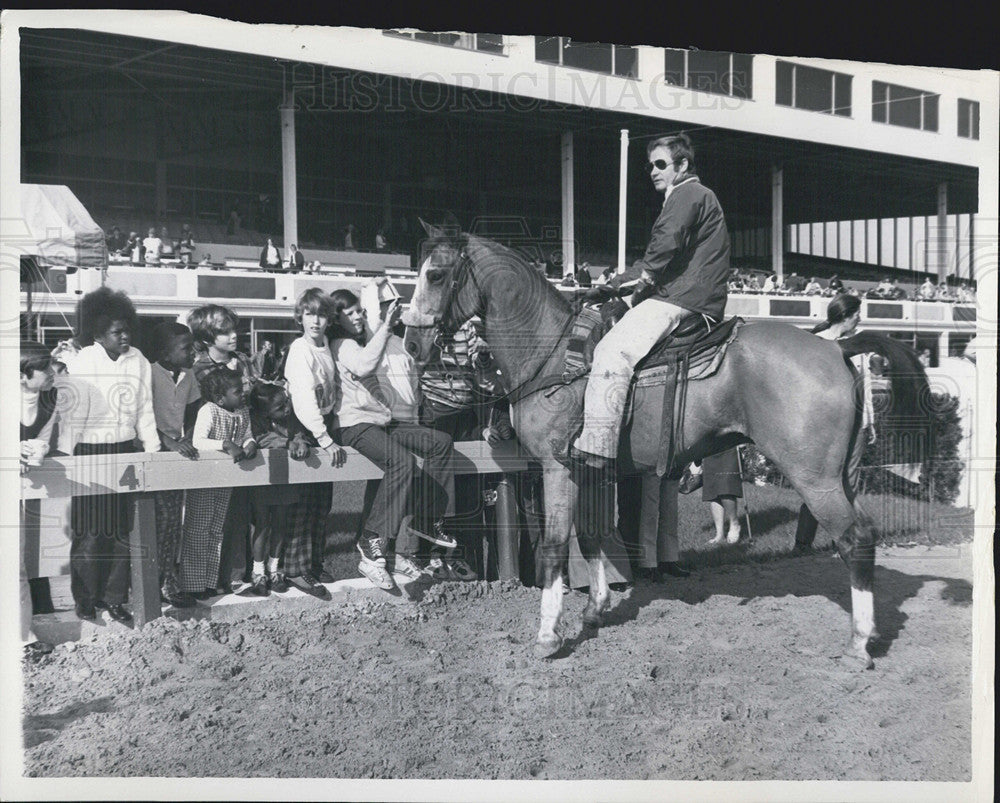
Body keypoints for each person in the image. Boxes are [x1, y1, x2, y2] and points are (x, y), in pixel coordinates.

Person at [573, 133, 731, 468]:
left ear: (682, 164)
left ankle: (596, 447)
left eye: (661, 164)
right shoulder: (697, 195)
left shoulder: (687, 193)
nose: (653, 172)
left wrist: (611, 285)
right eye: (651, 166)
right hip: (693, 295)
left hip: (684, 297)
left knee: (611, 350)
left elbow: (660, 252)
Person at [327, 288, 459, 591]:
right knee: (402, 462)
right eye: (349, 313)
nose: (358, 315)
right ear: (337, 319)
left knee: (440, 443)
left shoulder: (360, 342)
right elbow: (363, 366)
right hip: (353, 425)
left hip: (380, 422)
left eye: (359, 310)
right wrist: (386, 327)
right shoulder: (342, 343)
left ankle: (426, 519)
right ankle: (371, 539)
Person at [67, 288, 160, 625]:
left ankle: (115, 599)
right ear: (97, 334)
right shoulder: (83, 361)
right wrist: (68, 455)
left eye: (127, 330)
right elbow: (73, 414)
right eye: (116, 332)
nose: (125, 337)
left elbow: (145, 409)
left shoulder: (140, 361)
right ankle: (87, 601)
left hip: (125, 450)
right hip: (90, 452)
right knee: (92, 531)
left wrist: (152, 451)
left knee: (121, 529)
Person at [188, 304, 259, 591]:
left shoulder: (242, 361)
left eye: (234, 330)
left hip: (242, 441)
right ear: (207, 337)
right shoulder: (198, 367)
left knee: (238, 515)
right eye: (224, 332)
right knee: (205, 521)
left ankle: (235, 576)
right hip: (209, 446)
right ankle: (204, 579)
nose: (233, 336)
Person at [282, 288, 347, 598]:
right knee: (302, 504)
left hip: (324, 427)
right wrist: (324, 438)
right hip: (304, 430)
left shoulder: (325, 348)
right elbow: (305, 400)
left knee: (323, 503)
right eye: (309, 314)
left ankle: (314, 562)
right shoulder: (299, 350)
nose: (315, 321)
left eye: (321, 314)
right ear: (300, 317)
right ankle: (294, 570)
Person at [179, 367, 258, 599]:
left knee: (216, 531)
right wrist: (225, 444)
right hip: (203, 479)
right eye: (237, 391)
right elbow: (198, 441)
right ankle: (193, 585)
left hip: (226, 479)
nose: (243, 394)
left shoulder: (242, 411)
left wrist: (250, 443)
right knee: (198, 531)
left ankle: (210, 581)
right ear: (220, 397)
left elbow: (247, 435)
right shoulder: (209, 411)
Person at [149, 322, 202, 608]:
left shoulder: (190, 374)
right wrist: (168, 443)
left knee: (173, 523)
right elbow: (141, 415)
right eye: (185, 348)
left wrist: (189, 435)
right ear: (165, 353)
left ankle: (169, 584)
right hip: (152, 453)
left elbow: (194, 409)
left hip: (177, 454)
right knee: (155, 524)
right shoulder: (150, 373)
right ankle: (149, 585)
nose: (192, 353)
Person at [246, 382, 313, 596]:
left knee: (281, 523)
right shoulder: (255, 419)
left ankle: (275, 569)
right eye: (280, 408)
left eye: (286, 403)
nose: (287, 409)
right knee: (262, 525)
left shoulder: (291, 417)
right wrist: (286, 443)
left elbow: (299, 433)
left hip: (286, 477)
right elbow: (261, 438)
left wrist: (301, 442)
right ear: (264, 412)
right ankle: (258, 572)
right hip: (263, 477)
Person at [19, 342, 60, 657]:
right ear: (22, 375)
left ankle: (22, 638)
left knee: (16, 568)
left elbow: (43, 439)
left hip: (15, 490)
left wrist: (40, 449)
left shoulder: (51, 398)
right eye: (44, 368)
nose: (51, 372)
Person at [702, 449, 745, 545]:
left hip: (730, 447)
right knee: (713, 493)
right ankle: (719, 535)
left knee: (726, 488)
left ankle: (734, 524)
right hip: (710, 448)